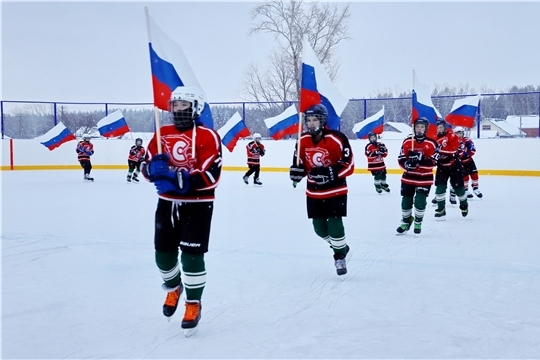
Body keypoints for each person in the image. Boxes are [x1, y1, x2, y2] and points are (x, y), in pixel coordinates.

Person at [142, 86, 222, 335]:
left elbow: (212, 173)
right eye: (175, 105)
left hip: (198, 205)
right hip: (167, 203)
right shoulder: (161, 132)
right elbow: (144, 162)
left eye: (183, 105)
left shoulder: (208, 136)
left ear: (195, 107)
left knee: (191, 256)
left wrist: (182, 179)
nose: (178, 110)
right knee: (163, 257)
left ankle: (193, 303)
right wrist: (150, 169)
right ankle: (174, 286)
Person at [289, 104, 354, 275]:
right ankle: (342, 247)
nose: (310, 123)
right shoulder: (301, 140)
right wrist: (297, 173)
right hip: (313, 192)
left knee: (334, 223)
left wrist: (329, 172)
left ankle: (339, 257)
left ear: (323, 120)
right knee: (319, 229)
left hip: (335, 191)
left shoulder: (337, 138)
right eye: (308, 120)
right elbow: (300, 164)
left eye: (314, 119)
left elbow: (349, 166)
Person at [396, 117, 438, 235]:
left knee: (420, 201)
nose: (419, 129)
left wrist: (421, 160)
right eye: (417, 127)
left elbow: (435, 161)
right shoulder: (407, 141)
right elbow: (400, 158)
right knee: (406, 201)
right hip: (408, 177)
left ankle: (418, 222)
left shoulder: (432, 143)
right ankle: (406, 221)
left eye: (422, 127)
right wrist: (407, 164)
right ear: (414, 128)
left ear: (426, 129)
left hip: (424, 177)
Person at [433, 119, 469, 220]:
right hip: (441, 166)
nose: (439, 129)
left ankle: (464, 205)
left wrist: (439, 150)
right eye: (438, 128)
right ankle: (441, 209)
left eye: (441, 127)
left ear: (445, 127)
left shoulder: (452, 135)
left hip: (454, 165)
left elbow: (453, 150)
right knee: (440, 188)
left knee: (458, 189)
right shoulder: (434, 138)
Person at [454, 126, 483, 199]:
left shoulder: (467, 140)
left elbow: (473, 149)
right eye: (457, 133)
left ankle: (476, 188)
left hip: (469, 160)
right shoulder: (453, 142)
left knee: (474, 174)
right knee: (465, 177)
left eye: (460, 133)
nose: (459, 134)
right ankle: (465, 190)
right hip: (460, 162)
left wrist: (468, 152)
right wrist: (460, 155)